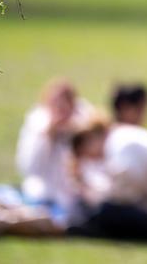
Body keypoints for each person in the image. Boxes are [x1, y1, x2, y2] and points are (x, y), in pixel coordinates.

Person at [67, 113, 147, 242]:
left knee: (106, 212)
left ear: (90, 139)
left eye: (86, 152)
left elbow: (124, 195)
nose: (91, 158)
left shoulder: (119, 144)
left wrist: (91, 192)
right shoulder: (120, 136)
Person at [15, 79, 94, 227]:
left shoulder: (84, 125)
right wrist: (48, 136)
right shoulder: (38, 124)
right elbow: (29, 167)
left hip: (75, 195)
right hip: (44, 193)